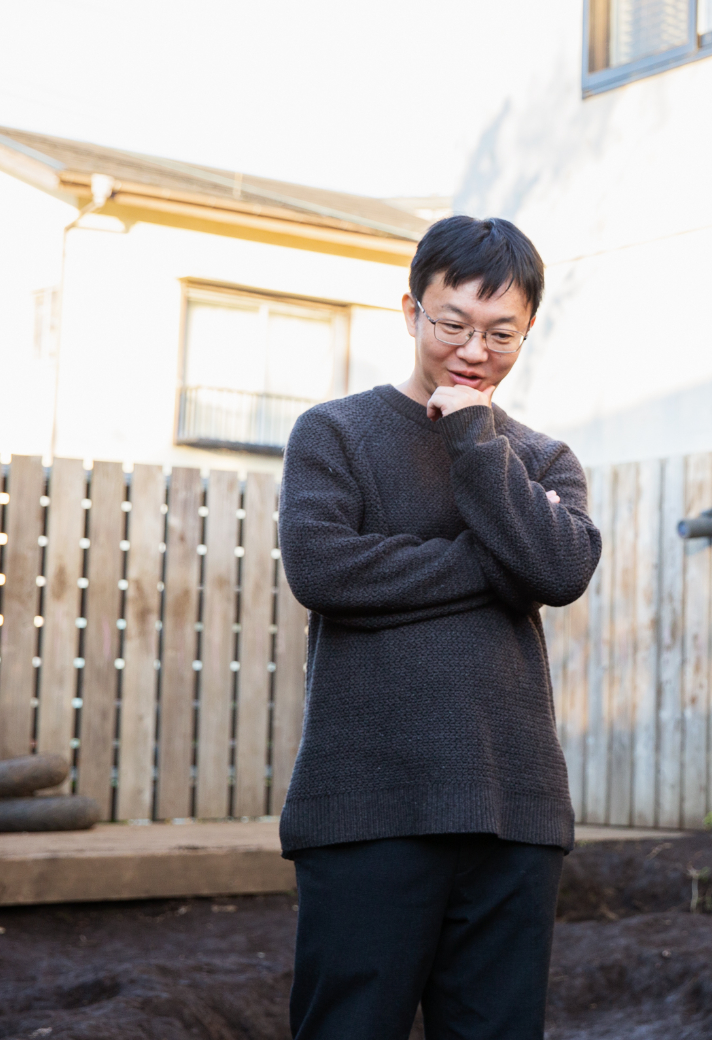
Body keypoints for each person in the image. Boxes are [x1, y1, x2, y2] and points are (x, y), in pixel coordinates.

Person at [275, 215, 602, 1040]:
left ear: (528, 330)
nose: (473, 348)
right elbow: (323, 570)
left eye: (501, 333)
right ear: (411, 311)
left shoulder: (540, 459)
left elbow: (562, 571)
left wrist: (472, 440)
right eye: (452, 323)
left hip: (515, 813)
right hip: (367, 807)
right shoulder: (335, 434)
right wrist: (496, 563)